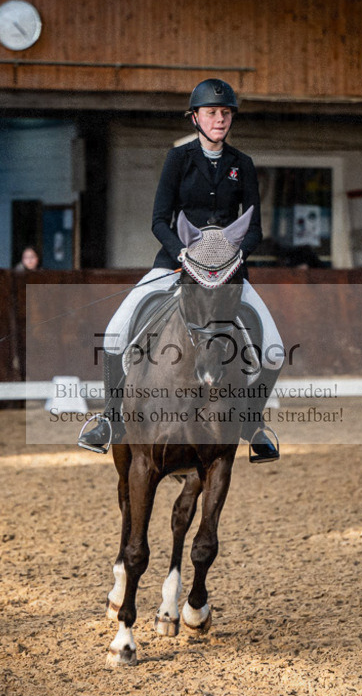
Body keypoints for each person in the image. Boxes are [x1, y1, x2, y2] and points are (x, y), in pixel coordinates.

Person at [78, 78, 281, 462]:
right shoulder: (179, 159)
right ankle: (109, 419)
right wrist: (182, 256)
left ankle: (252, 423)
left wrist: (234, 260)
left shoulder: (244, 165)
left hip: (227, 272)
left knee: (273, 349)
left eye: (225, 113)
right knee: (115, 333)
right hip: (176, 266)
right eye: (212, 113)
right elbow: (158, 220)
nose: (219, 119)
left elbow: (254, 228)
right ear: (196, 118)